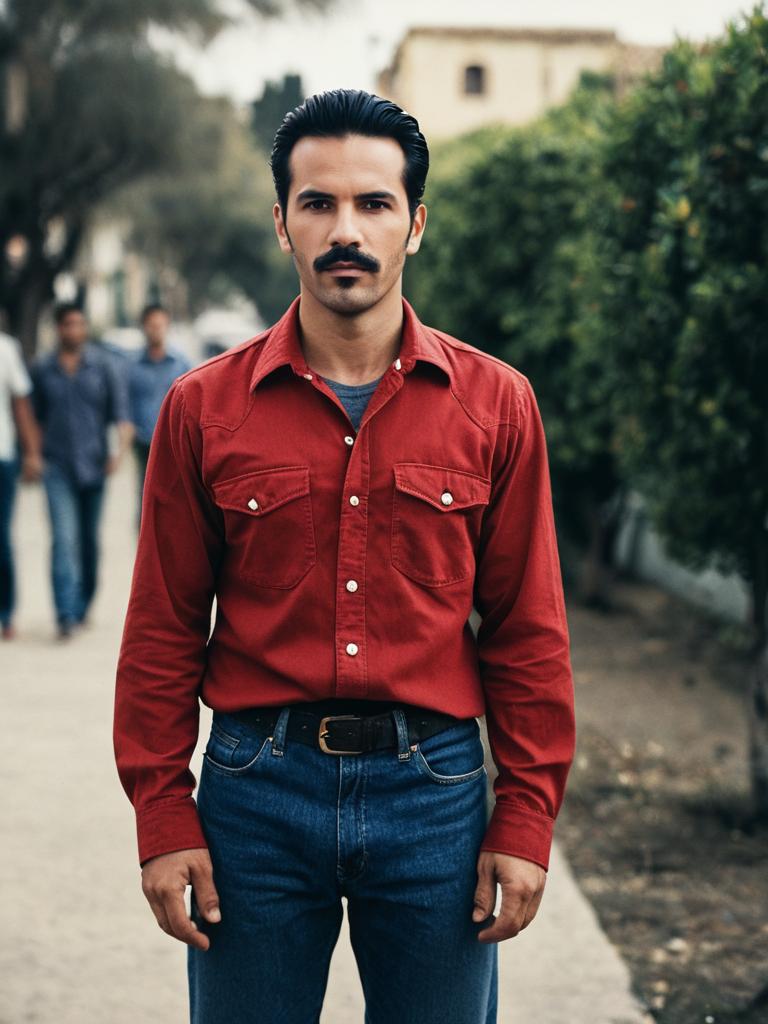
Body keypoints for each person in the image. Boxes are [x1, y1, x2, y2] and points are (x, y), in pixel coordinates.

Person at [113, 89, 576, 1024]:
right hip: (256, 796)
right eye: (318, 203)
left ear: (416, 225)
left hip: (435, 797)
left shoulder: (497, 404)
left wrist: (524, 817)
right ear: (282, 223)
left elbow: (528, 631)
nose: (346, 230)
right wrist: (162, 814)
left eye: (374, 204)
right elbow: (163, 627)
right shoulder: (203, 409)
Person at [32, 302, 133, 639]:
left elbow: (120, 415)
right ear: (59, 328)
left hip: (94, 464)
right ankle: (65, 613)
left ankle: (83, 602)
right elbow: (33, 416)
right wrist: (34, 454)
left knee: (88, 541)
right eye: (68, 324)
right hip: (57, 465)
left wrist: (118, 453)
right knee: (63, 539)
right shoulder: (43, 369)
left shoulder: (103, 366)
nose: (74, 330)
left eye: (79, 324)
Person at [127, 303, 191, 527]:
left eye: (160, 325)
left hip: (173, 442)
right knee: (145, 497)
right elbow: (125, 402)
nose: (156, 330)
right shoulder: (132, 365)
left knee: (174, 498)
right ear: (144, 327)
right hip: (144, 441)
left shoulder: (180, 363)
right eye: (151, 325)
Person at [0, 329, 42, 639]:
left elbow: (20, 404)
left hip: (2, 456)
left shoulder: (6, 348)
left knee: (1, 537)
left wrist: (31, 452)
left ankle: (6, 612)